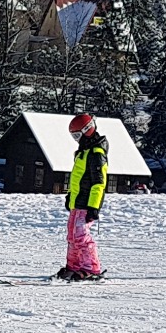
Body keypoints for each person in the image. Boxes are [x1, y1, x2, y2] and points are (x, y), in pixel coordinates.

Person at [60, 112, 109, 280]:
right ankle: (73, 267)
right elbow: (78, 179)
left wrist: (94, 207)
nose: (76, 139)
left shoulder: (96, 153)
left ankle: (91, 269)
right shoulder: (84, 152)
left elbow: (99, 184)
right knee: (72, 236)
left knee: (81, 236)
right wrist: (70, 197)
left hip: (87, 204)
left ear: (87, 130)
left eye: (77, 135)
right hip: (77, 202)